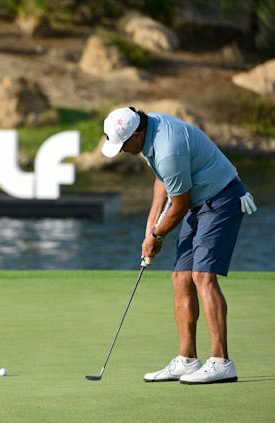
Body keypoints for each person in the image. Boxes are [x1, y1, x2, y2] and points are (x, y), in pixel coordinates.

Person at [101, 106, 257, 385]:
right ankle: (187, 360)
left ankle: (221, 362)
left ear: (136, 134)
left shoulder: (167, 147)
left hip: (221, 199)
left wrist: (157, 236)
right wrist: (151, 226)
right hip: (198, 202)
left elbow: (180, 204)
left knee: (202, 276)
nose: (122, 150)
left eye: (123, 145)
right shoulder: (150, 132)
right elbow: (163, 180)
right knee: (181, 278)